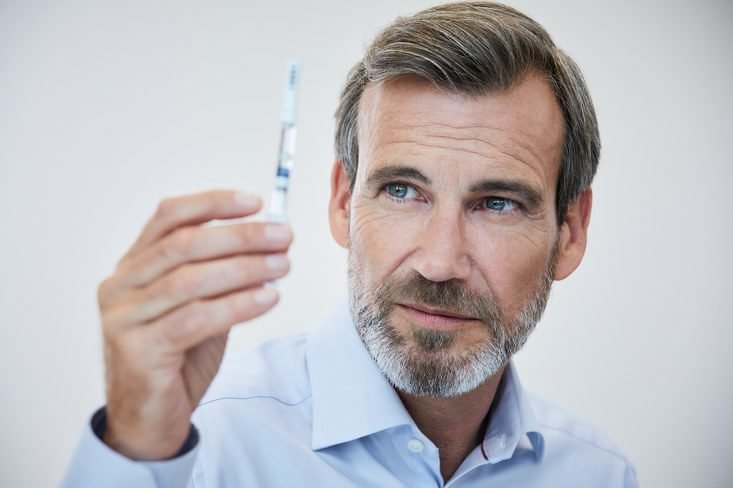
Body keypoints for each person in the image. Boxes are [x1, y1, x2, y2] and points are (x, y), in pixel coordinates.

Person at [63, 2, 638, 486]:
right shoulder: (199, 448)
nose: (440, 263)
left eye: (497, 204)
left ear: (570, 232)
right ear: (343, 201)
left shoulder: (598, 474)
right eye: (403, 191)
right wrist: (135, 445)